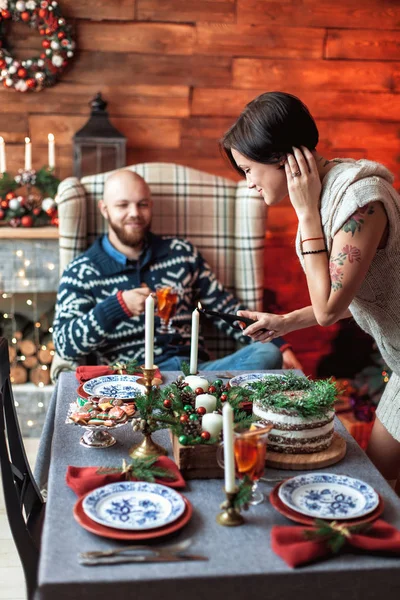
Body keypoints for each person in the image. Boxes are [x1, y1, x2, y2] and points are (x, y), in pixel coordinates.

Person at [221, 90, 400, 487]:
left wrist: (304, 214)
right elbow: (352, 294)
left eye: (249, 169)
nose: (248, 183)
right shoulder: (328, 195)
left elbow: (329, 309)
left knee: (379, 485)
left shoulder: (360, 201)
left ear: (281, 159)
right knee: (382, 481)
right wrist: (285, 322)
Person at [53, 169, 301, 376]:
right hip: (132, 381)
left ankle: (205, 399)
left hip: (196, 373)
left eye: (142, 204)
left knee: (267, 354)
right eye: (122, 205)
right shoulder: (82, 271)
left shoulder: (181, 254)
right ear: (104, 209)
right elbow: (64, 345)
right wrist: (117, 307)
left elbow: (224, 308)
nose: (134, 213)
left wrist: (279, 344)